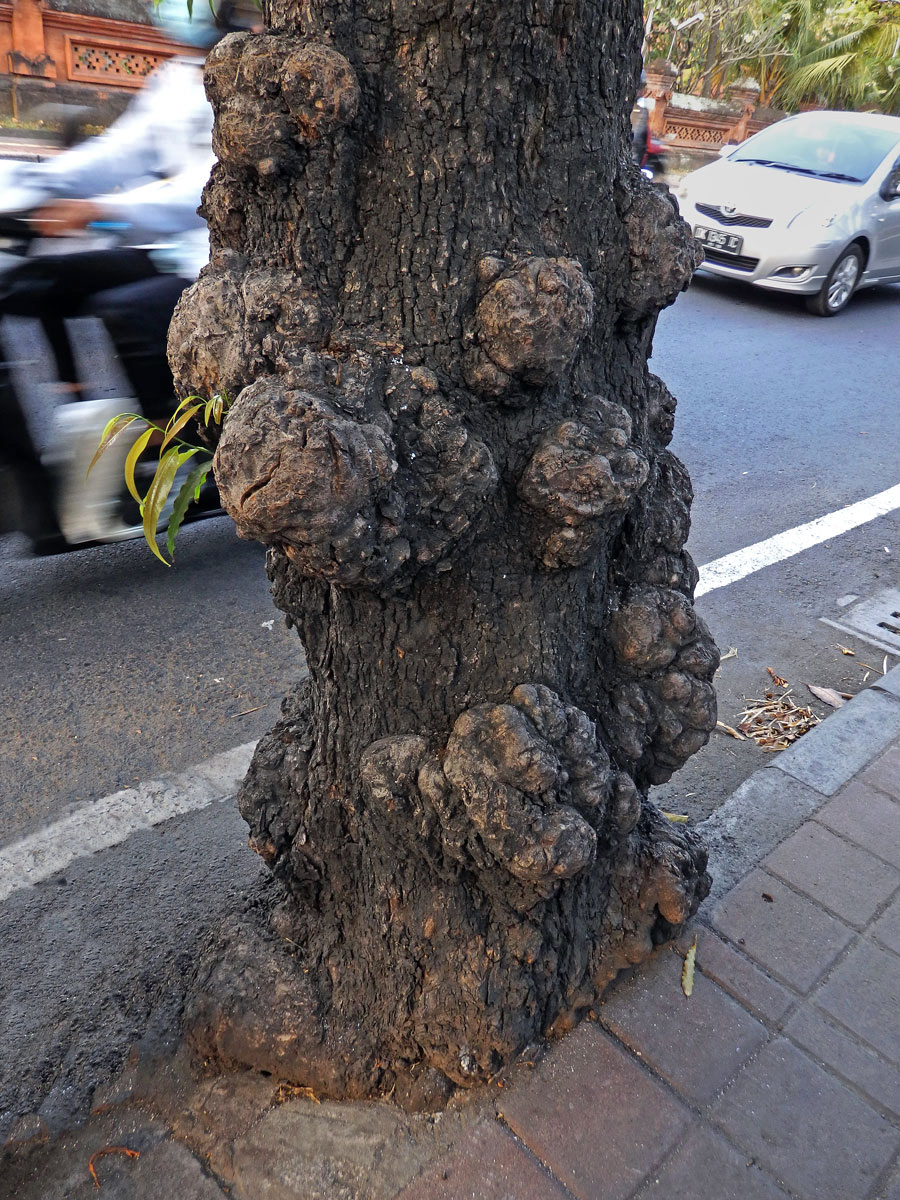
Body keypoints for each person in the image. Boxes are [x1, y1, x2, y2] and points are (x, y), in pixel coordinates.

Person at [0, 3, 237, 548]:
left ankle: (184, 454)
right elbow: (112, 155)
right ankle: (57, 464)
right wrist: (28, 187)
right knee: (29, 285)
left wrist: (104, 211)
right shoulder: (174, 81)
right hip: (157, 244)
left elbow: (212, 184)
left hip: (217, 255)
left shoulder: (254, 75)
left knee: (124, 310)